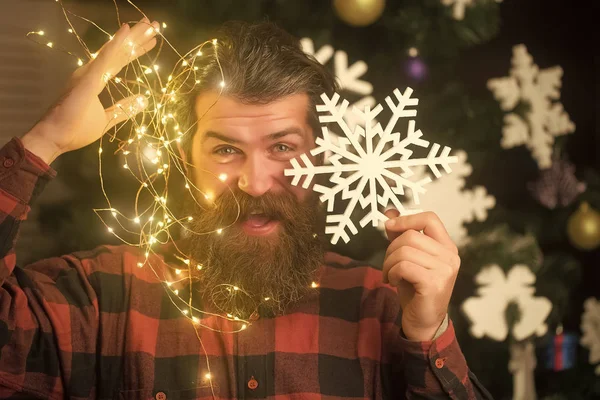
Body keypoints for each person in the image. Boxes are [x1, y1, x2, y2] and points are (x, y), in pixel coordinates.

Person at [0, 17, 493, 400]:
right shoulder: (98, 298)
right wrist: (45, 141)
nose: (255, 184)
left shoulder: (383, 310)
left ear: (325, 155)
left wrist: (429, 336)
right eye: (225, 150)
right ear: (185, 160)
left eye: (282, 148)